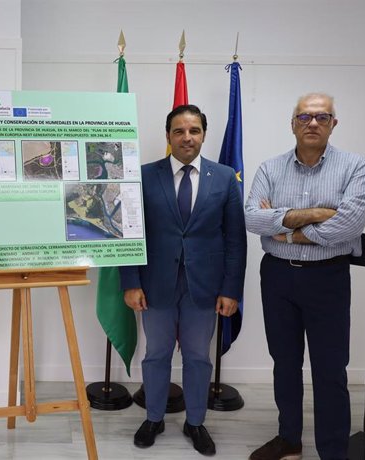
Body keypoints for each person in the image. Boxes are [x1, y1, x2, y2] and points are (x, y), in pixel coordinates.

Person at [245, 93, 365, 460]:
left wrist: (283, 225)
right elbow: (253, 219)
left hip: (328, 279)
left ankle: (333, 451)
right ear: (293, 124)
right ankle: (290, 440)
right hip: (278, 278)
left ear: (334, 123)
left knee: (330, 369)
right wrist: (319, 212)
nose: (312, 123)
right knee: (284, 362)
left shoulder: (354, 167)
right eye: (304, 117)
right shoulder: (270, 168)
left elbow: (350, 225)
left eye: (321, 116)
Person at [120, 104, 247, 456]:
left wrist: (231, 289)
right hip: (155, 284)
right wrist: (130, 281)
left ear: (203, 134)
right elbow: (131, 234)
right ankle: (154, 418)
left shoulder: (223, 178)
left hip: (204, 287)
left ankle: (195, 422)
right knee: (156, 354)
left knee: (197, 357)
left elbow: (235, 238)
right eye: (179, 131)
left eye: (194, 130)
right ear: (168, 136)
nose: (187, 137)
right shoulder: (144, 176)